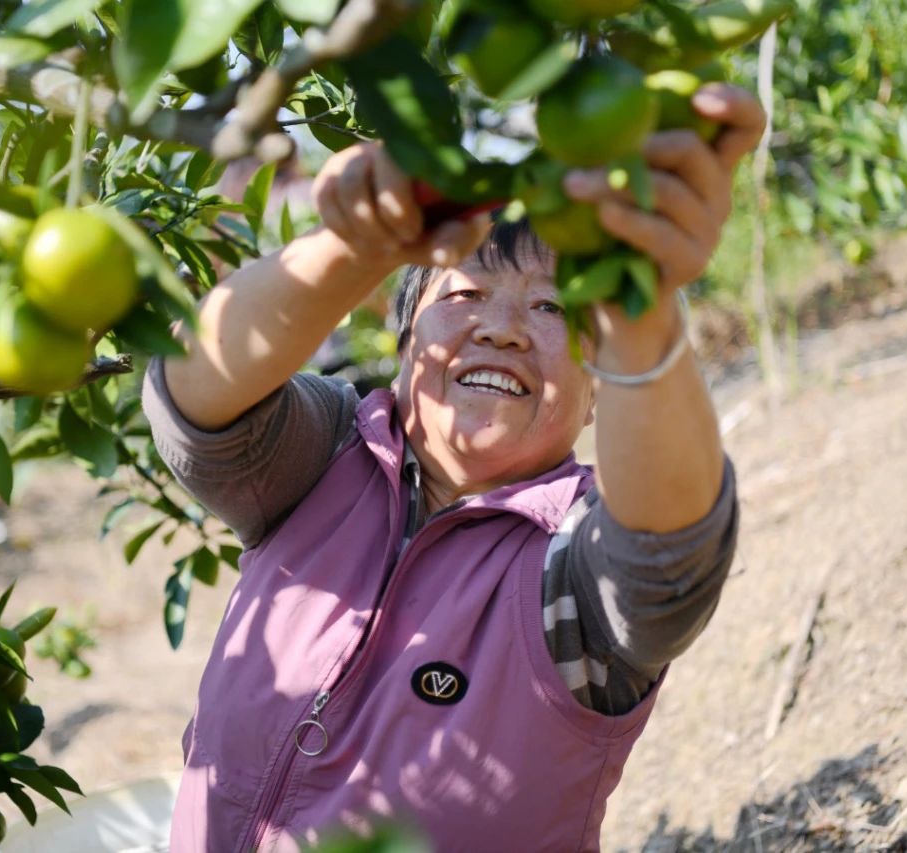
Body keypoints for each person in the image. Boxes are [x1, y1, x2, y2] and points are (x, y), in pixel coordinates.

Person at [141, 83, 766, 852]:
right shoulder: (327, 458)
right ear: (405, 340)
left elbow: (668, 553)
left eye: (555, 309)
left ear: (600, 388)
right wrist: (360, 240)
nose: (502, 328)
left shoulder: (565, 568)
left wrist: (639, 302)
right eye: (466, 290)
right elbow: (196, 397)